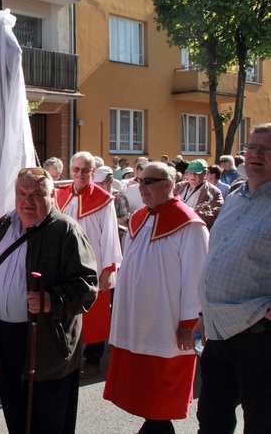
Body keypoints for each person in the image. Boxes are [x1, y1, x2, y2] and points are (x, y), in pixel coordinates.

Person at [0, 167, 98, 433]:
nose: (28, 200)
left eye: (37, 194)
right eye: (22, 193)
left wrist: (50, 299)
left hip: (46, 338)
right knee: (15, 405)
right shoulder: (3, 224)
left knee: (47, 413)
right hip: (4, 335)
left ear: (52, 196)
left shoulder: (66, 231)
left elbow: (87, 286)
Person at [104, 162, 209, 434]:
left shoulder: (189, 226)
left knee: (161, 393)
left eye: (149, 181)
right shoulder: (139, 218)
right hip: (138, 319)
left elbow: (196, 280)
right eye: (140, 181)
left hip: (167, 324)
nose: (142, 186)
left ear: (168, 185)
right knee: (143, 389)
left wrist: (188, 325)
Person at [195, 123, 271, 434]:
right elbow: (218, 254)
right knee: (211, 421)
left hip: (259, 337)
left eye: (266, 150)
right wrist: (203, 314)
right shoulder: (237, 195)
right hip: (218, 333)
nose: (256, 154)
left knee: (261, 424)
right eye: (252, 147)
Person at [55, 151, 122, 380]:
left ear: (93, 172)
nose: (80, 173)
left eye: (85, 170)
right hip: (64, 267)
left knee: (94, 315)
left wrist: (107, 271)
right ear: (70, 170)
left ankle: (93, 359)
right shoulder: (60, 195)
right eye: (76, 169)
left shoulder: (103, 200)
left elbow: (110, 237)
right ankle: (68, 355)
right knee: (65, 311)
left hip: (93, 267)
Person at [172, 159, 223, 229]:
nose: (193, 175)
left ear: (204, 174)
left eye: (197, 173)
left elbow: (215, 216)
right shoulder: (178, 187)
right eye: (190, 173)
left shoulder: (214, 192)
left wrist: (191, 212)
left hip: (196, 230)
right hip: (176, 228)